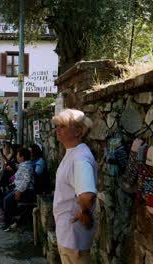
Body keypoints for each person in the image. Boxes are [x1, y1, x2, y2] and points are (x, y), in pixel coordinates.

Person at [52, 109, 97, 264]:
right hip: (68, 235)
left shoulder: (80, 158)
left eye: (63, 126)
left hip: (73, 238)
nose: (57, 129)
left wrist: (84, 211)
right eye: (57, 125)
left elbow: (87, 196)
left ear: (78, 131)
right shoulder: (74, 153)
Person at [2, 147, 35, 231]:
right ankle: (11, 217)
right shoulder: (24, 164)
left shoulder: (26, 167)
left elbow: (26, 181)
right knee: (5, 195)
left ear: (22, 157)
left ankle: (8, 223)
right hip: (20, 188)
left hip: (27, 190)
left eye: (17, 155)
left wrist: (19, 191)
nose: (16, 156)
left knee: (7, 199)